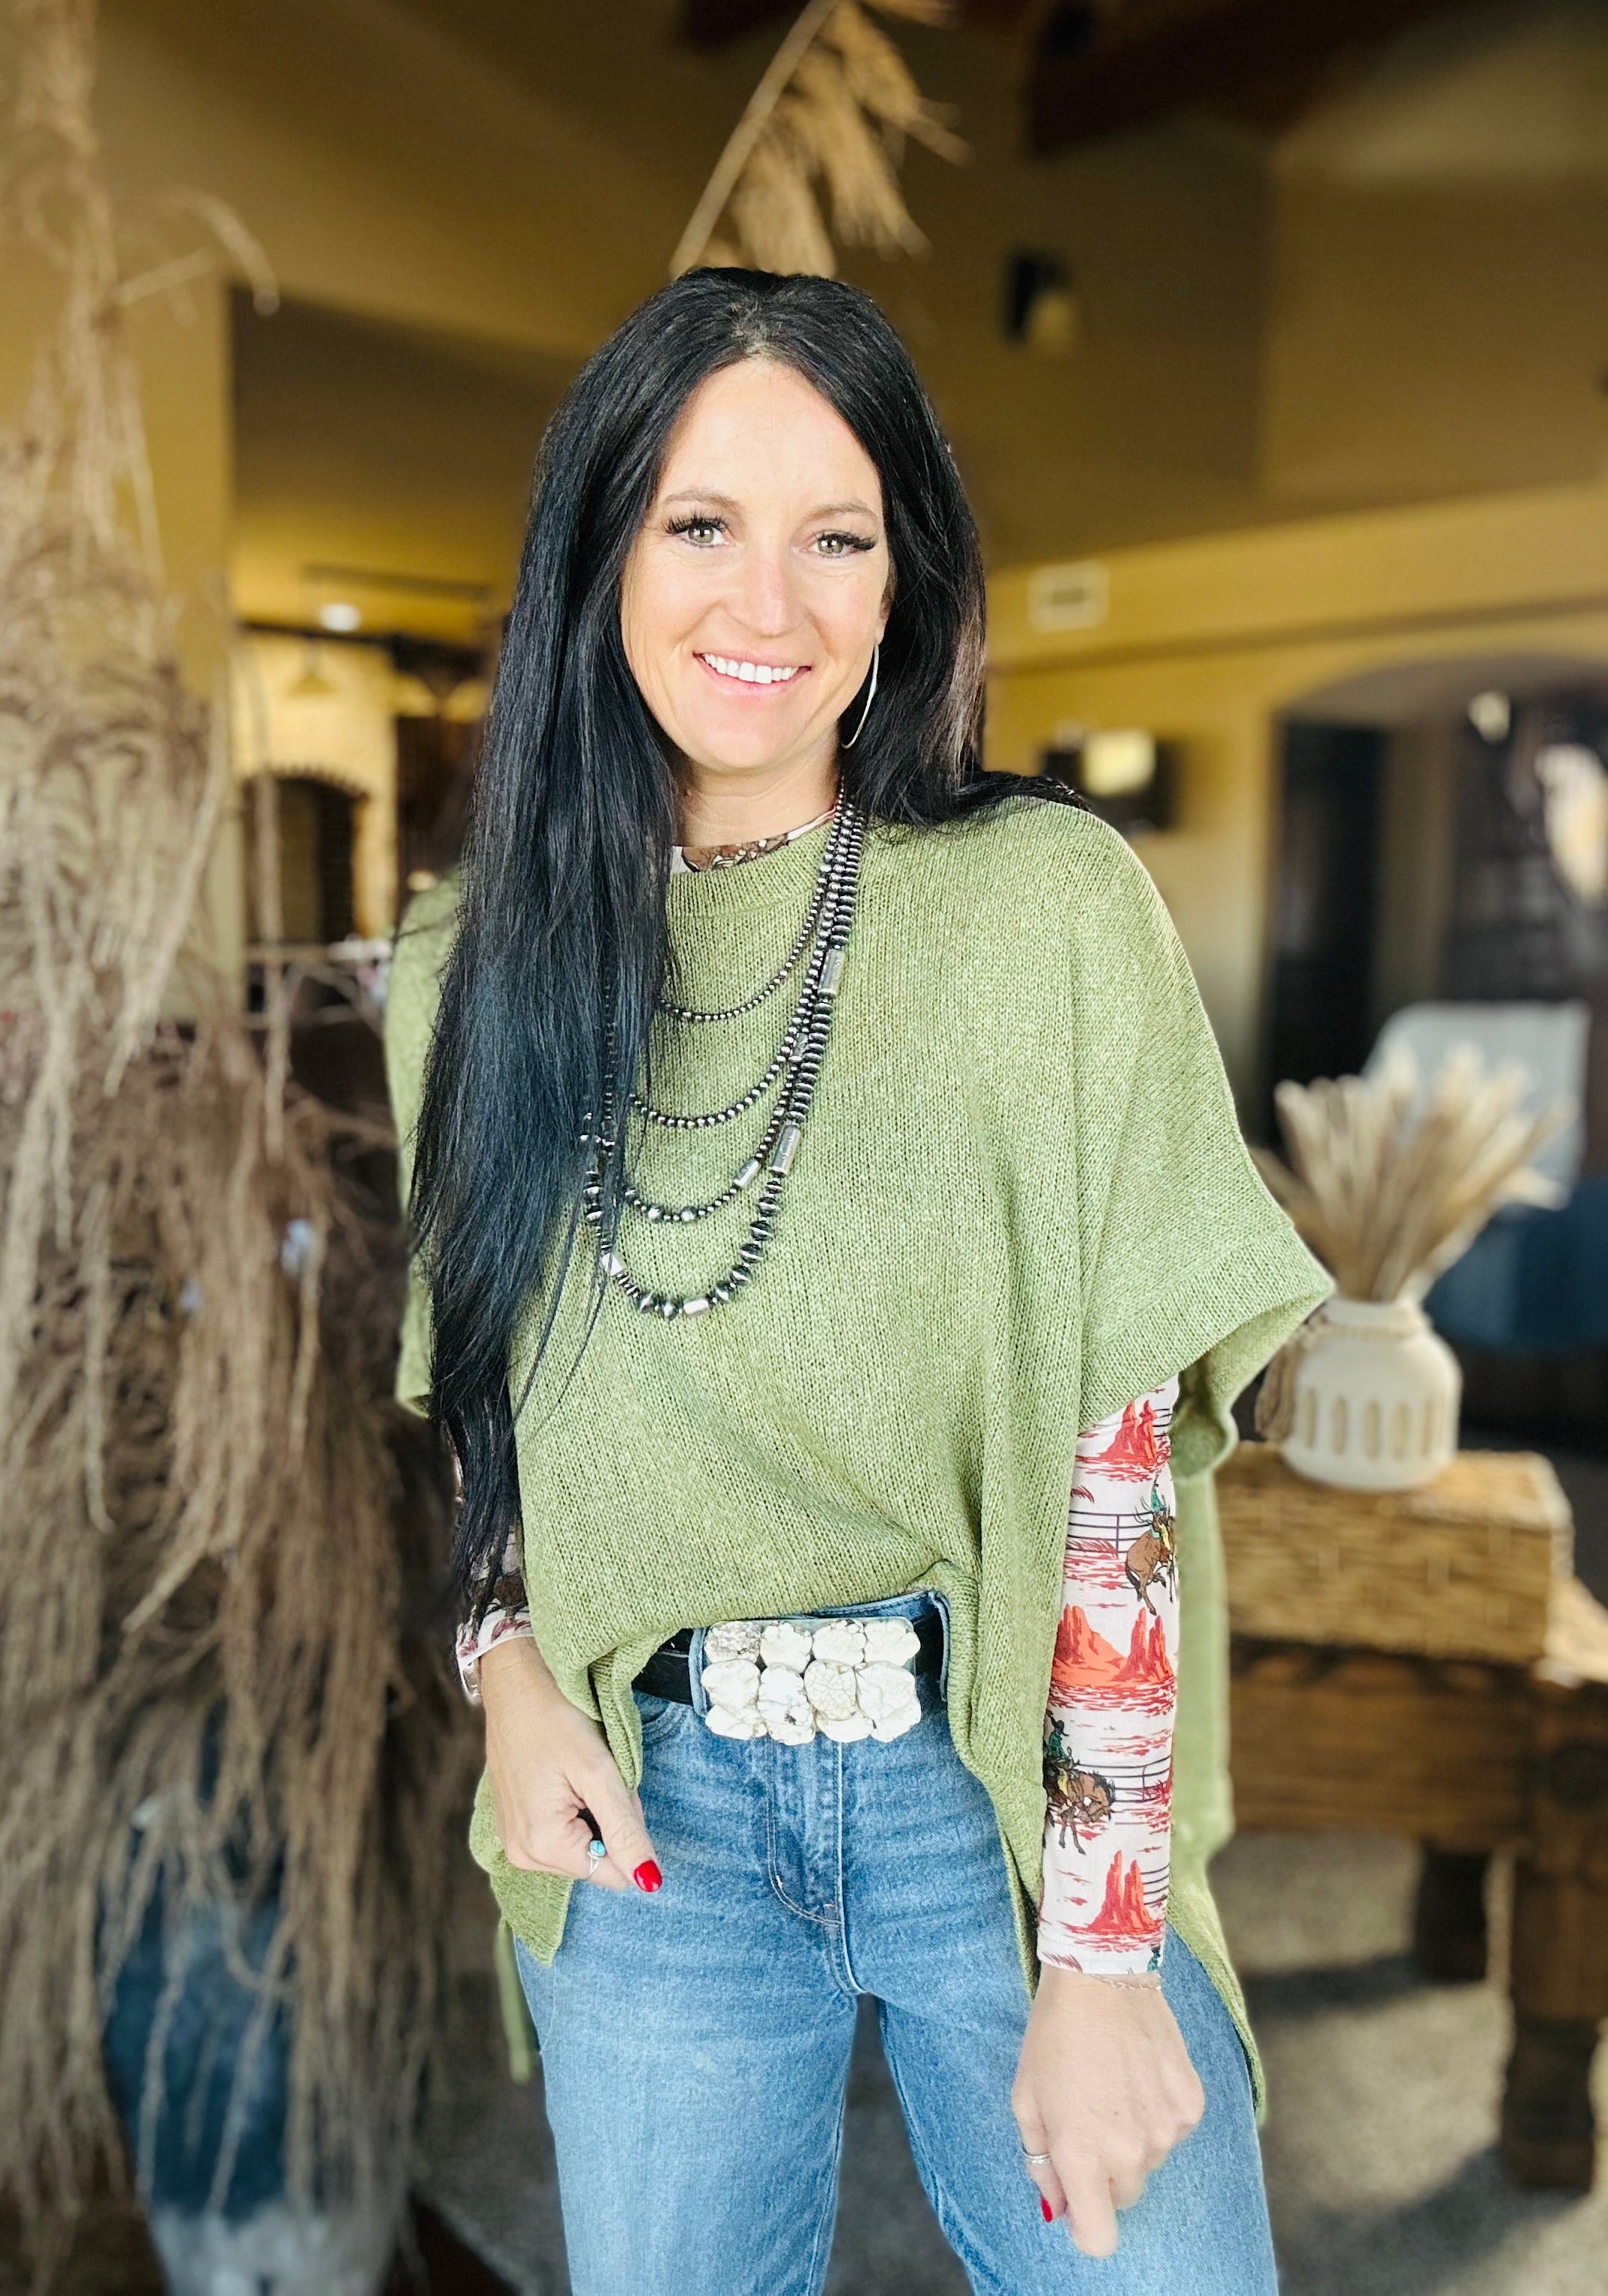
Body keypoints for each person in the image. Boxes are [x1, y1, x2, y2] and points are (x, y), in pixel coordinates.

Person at [385, 268, 1328, 2295]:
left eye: (838, 537)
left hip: (993, 1789)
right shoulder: (463, 966)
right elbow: (481, 1388)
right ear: (600, 555)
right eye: (700, 524)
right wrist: (507, 1676)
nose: (771, 602)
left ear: (907, 582)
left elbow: (1119, 1467)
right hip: (651, 1804)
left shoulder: (1044, 911)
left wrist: (1100, 1952)